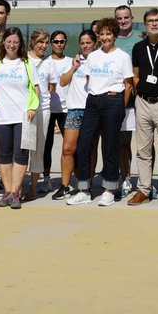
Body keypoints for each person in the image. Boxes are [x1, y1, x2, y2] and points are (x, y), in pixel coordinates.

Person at [68, 18, 134, 206]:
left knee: (110, 146)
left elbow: (128, 85)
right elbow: (89, 79)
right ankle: (84, 190)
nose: (105, 37)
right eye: (102, 34)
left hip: (113, 101)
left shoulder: (122, 56)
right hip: (93, 102)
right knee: (84, 144)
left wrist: (121, 106)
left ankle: (109, 190)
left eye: (108, 34)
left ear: (114, 35)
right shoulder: (93, 56)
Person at [128, 8, 158, 207]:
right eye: (150, 21)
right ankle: (144, 189)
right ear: (145, 24)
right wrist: (141, 94)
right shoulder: (139, 47)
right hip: (143, 102)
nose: (154, 24)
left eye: (157, 20)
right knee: (143, 149)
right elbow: (136, 74)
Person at [0, 27, 40, 209]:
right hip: (1, 116)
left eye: (15, 42)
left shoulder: (27, 63)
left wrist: (33, 107)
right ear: (4, 42)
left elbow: (36, 89)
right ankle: (7, 191)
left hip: (22, 116)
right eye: (9, 41)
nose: (12, 45)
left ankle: (16, 192)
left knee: (21, 154)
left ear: (20, 44)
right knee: (4, 154)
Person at [56, 30, 96, 199]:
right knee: (67, 148)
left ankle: (86, 184)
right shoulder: (74, 60)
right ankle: (64, 186)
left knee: (87, 150)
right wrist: (74, 67)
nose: (85, 46)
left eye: (88, 43)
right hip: (74, 110)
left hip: (91, 110)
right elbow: (63, 82)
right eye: (82, 43)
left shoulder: (98, 60)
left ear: (94, 44)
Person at [40, 30, 73, 194]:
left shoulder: (71, 61)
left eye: (62, 41)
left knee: (69, 148)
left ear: (65, 43)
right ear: (51, 43)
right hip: (48, 109)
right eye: (56, 41)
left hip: (66, 109)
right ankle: (46, 180)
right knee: (47, 145)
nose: (59, 44)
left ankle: (67, 180)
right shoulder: (45, 63)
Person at [114, 5, 141, 194]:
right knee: (122, 142)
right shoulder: (110, 40)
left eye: (126, 17)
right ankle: (126, 178)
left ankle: (146, 182)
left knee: (146, 143)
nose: (123, 21)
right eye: (119, 18)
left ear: (132, 18)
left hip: (140, 97)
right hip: (120, 99)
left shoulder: (141, 37)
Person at [24, 29, 51, 200]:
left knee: (38, 151)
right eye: (41, 42)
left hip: (44, 109)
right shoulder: (23, 59)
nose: (44, 46)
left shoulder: (49, 62)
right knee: (22, 149)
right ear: (33, 42)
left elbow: (52, 87)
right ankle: (17, 186)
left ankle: (33, 188)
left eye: (46, 42)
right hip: (26, 109)